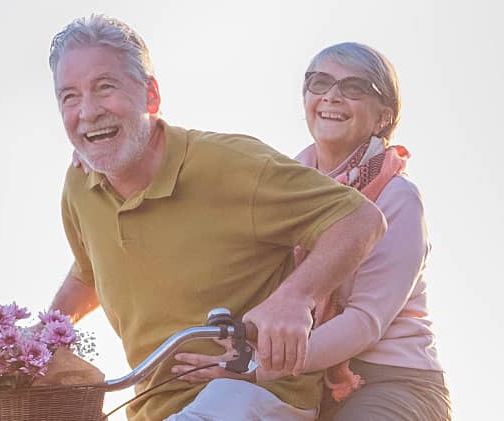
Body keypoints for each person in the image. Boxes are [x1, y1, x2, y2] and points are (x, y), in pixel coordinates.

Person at [44, 16, 386, 421]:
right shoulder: (80, 188)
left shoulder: (231, 165)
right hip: (154, 407)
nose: (88, 111)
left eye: (105, 87)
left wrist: (295, 298)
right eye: (70, 96)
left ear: (150, 96)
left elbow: (359, 219)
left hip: (254, 394)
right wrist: (38, 343)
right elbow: (88, 274)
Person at [172, 42, 451, 420]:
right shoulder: (288, 182)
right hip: (303, 382)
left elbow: (364, 322)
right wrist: (104, 158)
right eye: (319, 83)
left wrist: (255, 371)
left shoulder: (397, 196)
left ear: (383, 116)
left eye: (354, 88)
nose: (332, 96)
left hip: (389, 381)